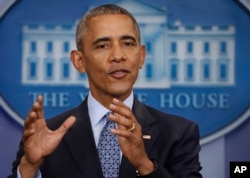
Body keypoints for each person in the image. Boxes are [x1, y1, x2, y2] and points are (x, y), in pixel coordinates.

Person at [9, 4, 202, 178]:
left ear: (141, 56)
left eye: (127, 44)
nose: (118, 56)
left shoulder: (178, 133)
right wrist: (29, 168)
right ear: (79, 61)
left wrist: (144, 165)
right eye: (103, 45)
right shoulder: (46, 135)